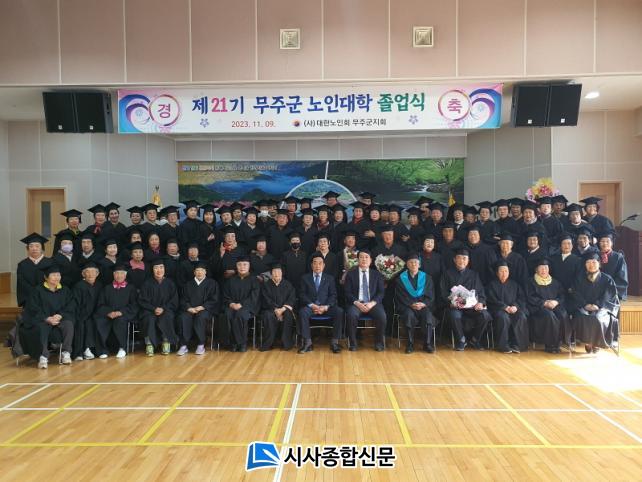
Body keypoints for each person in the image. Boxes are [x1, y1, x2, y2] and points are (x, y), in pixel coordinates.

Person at [20, 264, 75, 369]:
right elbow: (33, 308)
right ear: (46, 277)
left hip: (60, 318)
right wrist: (47, 318)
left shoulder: (65, 290)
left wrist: (60, 315)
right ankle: (43, 356)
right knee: (42, 328)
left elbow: (71, 305)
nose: (56, 277)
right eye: (53, 275)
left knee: (68, 324)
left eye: (58, 275)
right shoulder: (37, 290)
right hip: (42, 319)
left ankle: (66, 352)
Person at [440, 248, 491, 351]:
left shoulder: (474, 274)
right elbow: (442, 292)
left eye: (464, 258)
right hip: (455, 307)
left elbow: (480, 292)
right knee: (455, 315)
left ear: (468, 261)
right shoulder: (447, 274)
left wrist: (481, 303)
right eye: (459, 258)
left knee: (485, 315)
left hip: (471, 307)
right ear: (454, 260)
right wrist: (450, 303)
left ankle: (475, 340)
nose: (461, 261)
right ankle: (461, 340)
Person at [570, 252, 619, 353]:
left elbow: (609, 296)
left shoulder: (607, 279)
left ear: (599, 264)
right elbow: (575, 294)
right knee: (584, 316)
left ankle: (596, 343)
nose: (591, 265)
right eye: (588, 262)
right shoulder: (579, 278)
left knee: (598, 317)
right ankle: (588, 342)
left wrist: (598, 305)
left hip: (602, 307)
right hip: (583, 306)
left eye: (594, 262)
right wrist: (585, 304)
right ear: (585, 265)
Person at [297, 253, 344, 354]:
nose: (317, 266)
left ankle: (335, 342)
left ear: (324, 265)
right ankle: (307, 343)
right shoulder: (305, 278)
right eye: (315, 263)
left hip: (326, 307)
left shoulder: (330, 278)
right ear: (311, 265)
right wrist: (312, 305)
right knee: (302, 312)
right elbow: (302, 294)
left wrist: (326, 307)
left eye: (320, 263)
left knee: (339, 311)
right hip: (311, 307)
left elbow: (333, 295)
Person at [344, 250, 387, 352]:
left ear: (371, 260)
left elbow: (381, 292)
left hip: (373, 303)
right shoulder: (351, 274)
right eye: (361, 257)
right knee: (351, 315)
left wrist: (372, 303)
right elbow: (347, 292)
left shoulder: (377, 274)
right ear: (357, 260)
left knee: (382, 316)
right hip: (356, 303)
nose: (364, 259)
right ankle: (353, 344)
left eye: (366, 257)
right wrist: (357, 303)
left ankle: (379, 343)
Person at [394, 253, 436, 353]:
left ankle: (427, 344)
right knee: (409, 316)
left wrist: (423, 304)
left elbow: (431, 295)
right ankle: (410, 344)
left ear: (419, 264)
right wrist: (411, 304)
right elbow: (400, 296)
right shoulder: (401, 279)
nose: (413, 264)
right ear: (407, 264)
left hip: (423, 306)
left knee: (427, 316)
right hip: (407, 306)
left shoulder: (427, 278)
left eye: (416, 262)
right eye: (411, 262)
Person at [94, 263, 137, 358]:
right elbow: (100, 304)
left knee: (120, 321)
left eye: (122, 273)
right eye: (117, 273)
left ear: (125, 275)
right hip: (109, 314)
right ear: (113, 275)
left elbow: (134, 305)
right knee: (100, 321)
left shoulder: (131, 288)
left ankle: (122, 348)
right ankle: (102, 350)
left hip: (123, 314)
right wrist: (108, 312)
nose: (119, 276)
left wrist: (121, 312)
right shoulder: (107, 288)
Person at [526, 259, 569, 353]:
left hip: (554, 305)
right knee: (549, 316)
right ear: (536, 270)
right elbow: (530, 297)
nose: (544, 270)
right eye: (541, 268)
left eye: (546, 268)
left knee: (562, 314)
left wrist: (556, 302)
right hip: (538, 308)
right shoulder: (531, 282)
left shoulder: (555, 282)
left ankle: (559, 343)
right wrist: (544, 303)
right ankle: (550, 344)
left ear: (549, 269)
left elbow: (562, 295)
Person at [177, 262, 220, 356]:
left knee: (200, 317)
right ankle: (184, 345)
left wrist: (202, 307)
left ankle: (201, 344)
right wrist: (188, 308)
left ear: (205, 272)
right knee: (184, 317)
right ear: (194, 272)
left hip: (205, 309)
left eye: (202, 270)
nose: (199, 272)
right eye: (197, 270)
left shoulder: (212, 283)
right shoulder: (188, 284)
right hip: (190, 309)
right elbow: (183, 299)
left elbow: (214, 299)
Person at [486, 260, 529, 353]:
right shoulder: (491, 285)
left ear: (509, 272)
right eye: (501, 271)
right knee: (503, 317)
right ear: (497, 273)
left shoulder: (515, 284)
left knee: (521, 316)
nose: (504, 273)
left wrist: (515, 306)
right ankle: (503, 345)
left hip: (513, 309)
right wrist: (505, 307)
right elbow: (491, 299)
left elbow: (521, 298)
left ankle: (517, 345)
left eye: (506, 271)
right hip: (498, 309)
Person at [138, 258, 179, 356]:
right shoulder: (147, 283)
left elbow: (174, 300)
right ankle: (149, 344)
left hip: (166, 309)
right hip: (149, 310)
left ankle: (166, 342)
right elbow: (142, 300)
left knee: (167, 316)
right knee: (148, 318)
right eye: (156, 268)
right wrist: (154, 309)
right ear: (152, 270)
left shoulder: (170, 283)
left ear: (164, 269)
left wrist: (163, 308)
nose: (159, 270)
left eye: (161, 267)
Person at [223, 256, 261, 352]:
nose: (242, 267)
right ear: (236, 266)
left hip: (249, 307)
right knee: (227, 314)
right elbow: (225, 295)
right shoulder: (231, 280)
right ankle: (233, 342)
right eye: (239, 265)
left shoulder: (254, 280)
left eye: (245, 264)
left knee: (240, 315)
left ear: (249, 266)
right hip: (232, 306)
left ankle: (241, 343)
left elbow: (254, 297)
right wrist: (231, 304)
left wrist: (241, 304)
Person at [260, 263, 297, 351]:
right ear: (271, 273)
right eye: (274, 272)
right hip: (270, 309)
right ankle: (269, 343)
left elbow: (292, 298)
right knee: (268, 315)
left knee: (288, 315)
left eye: (278, 272)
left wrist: (282, 309)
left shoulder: (288, 284)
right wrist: (275, 309)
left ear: (282, 273)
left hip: (285, 309)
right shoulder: (266, 285)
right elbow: (265, 299)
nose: (276, 274)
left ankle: (286, 343)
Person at [71, 261, 102, 361]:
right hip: (81, 314)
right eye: (87, 272)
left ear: (97, 274)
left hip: (96, 314)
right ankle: (81, 351)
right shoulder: (79, 286)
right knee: (83, 323)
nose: (91, 274)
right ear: (83, 274)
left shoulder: (99, 285)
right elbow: (75, 304)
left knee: (95, 321)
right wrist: (83, 314)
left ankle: (94, 350)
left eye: (93, 272)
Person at [16, 233, 53, 308]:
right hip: (28, 298)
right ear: (27, 248)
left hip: (48, 297)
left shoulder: (51, 262)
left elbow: (53, 280)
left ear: (42, 248)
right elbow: (21, 282)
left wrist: (43, 292)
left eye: (37, 246)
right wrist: (34, 292)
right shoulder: (22, 264)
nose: (34, 248)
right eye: (31, 246)